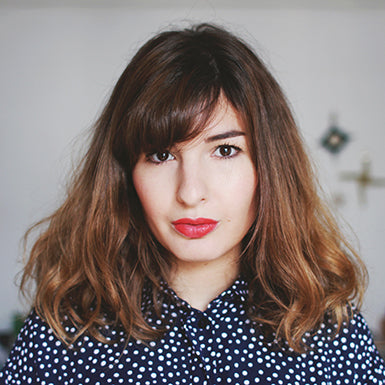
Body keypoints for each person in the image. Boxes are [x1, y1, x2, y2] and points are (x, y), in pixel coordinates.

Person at [1, 23, 384, 385]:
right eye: (161, 155)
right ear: (125, 173)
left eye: (225, 150)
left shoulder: (331, 334)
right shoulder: (63, 332)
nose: (190, 192)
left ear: (268, 167)